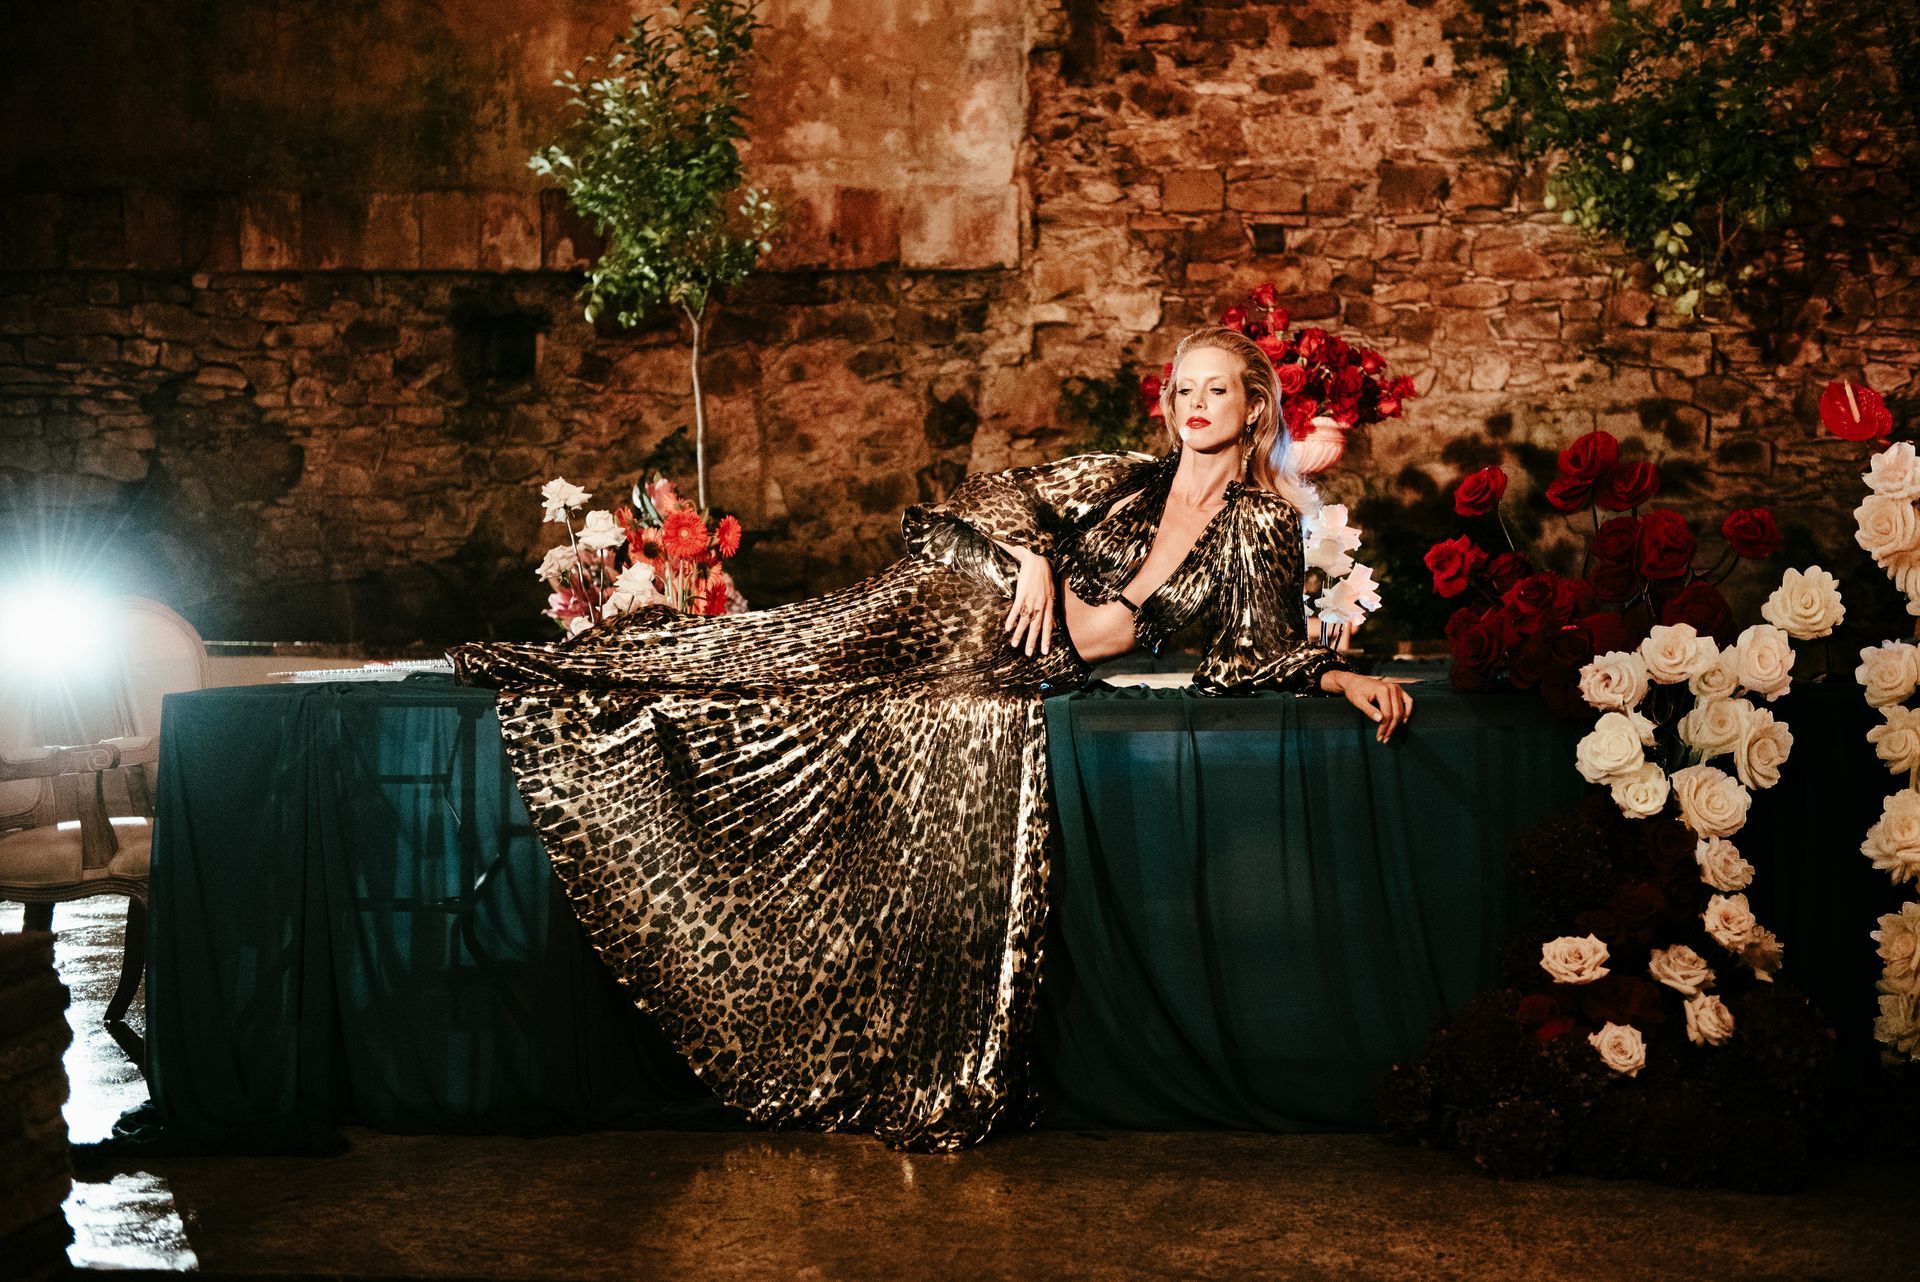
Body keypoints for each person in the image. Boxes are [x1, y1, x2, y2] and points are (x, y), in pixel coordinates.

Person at [447, 325, 1413, 1151]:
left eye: (1216, 391)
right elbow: (993, 492)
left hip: (1012, 672)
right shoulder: (1125, 476)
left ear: (1254, 407)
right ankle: (570, 669)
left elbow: (1257, 650)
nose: (1194, 405)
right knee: (779, 651)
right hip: (957, 610)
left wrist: (1341, 677)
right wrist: (1031, 558)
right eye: (1182, 389)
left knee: (824, 713)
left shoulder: (1260, 523)